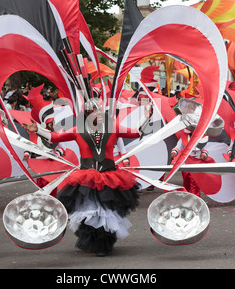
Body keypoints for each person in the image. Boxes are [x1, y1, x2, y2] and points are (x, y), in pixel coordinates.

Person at [22, 98, 152, 256]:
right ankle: (97, 243)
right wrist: (37, 130)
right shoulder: (78, 130)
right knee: (90, 212)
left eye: (99, 111)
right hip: (86, 178)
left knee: (106, 212)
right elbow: (55, 137)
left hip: (109, 176)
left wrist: (145, 117)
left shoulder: (113, 127)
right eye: (93, 111)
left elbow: (136, 132)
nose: (98, 113)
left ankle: (105, 244)